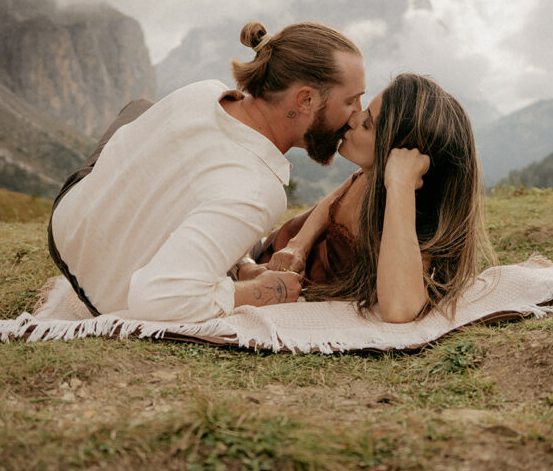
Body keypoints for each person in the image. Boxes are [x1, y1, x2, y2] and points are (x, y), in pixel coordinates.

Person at [48, 21, 365, 322]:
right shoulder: (259, 190)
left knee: (140, 109)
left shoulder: (204, 91)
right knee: (145, 116)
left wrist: (240, 265)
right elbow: (159, 299)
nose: (357, 116)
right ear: (306, 99)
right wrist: (262, 291)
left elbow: (205, 198)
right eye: (351, 101)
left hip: (66, 227)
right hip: (107, 296)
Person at [249, 74, 491, 323]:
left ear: (395, 151)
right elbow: (331, 202)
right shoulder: (368, 175)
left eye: (367, 124)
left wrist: (400, 183)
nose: (352, 119)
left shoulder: (414, 213)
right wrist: (298, 245)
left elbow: (399, 309)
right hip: (270, 254)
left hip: (276, 278)